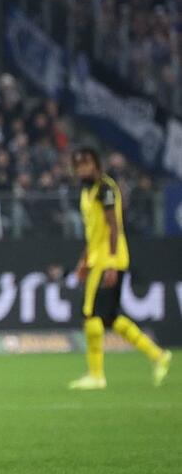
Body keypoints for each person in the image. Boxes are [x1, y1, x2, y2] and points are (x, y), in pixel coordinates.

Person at [68, 147, 172, 390]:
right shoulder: (87, 191)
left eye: (87, 164)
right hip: (97, 259)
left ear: (96, 164)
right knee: (111, 317)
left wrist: (112, 264)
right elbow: (94, 232)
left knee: (91, 315)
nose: (83, 168)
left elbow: (114, 228)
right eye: (79, 165)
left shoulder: (105, 189)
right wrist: (84, 260)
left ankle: (96, 375)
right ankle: (158, 355)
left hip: (108, 261)